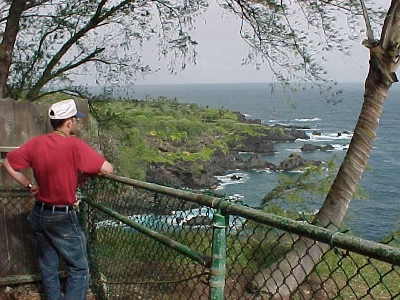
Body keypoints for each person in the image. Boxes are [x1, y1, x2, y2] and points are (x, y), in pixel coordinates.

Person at [1, 99, 113, 300]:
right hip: (61, 216)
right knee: (79, 269)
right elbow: (107, 168)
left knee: (48, 266)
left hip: (39, 213)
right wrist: (85, 174)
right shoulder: (73, 145)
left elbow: (7, 163)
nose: (76, 124)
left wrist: (28, 185)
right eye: (75, 120)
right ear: (69, 122)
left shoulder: (36, 143)